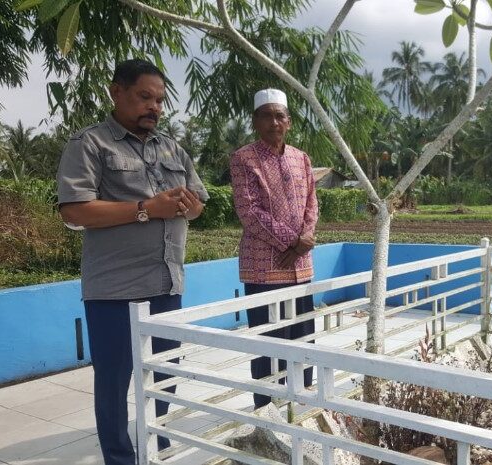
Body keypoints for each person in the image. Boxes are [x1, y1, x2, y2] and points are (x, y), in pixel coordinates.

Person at [56, 59, 208, 465]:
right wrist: (147, 208)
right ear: (116, 92)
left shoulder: (172, 147)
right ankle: (120, 459)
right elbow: (74, 210)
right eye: (144, 97)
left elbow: (197, 208)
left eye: (159, 100)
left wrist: (187, 208)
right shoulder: (90, 144)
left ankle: (153, 444)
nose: (154, 107)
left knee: (165, 375)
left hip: (166, 282)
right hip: (114, 289)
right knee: (112, 382)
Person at [230, 88, 318, 409]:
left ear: (289, 122)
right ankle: (267, 410)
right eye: (266, 115)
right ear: (255, 121)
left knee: (303, 338)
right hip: (264, 268)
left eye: (280, 115)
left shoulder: (301, 158)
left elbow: (312, 202)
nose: (274, 122)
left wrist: (305, 239)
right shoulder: (243, 159)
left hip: (301, 268)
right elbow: (249, 212)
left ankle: (301, 404)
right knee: (268, 344)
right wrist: (292, 242)